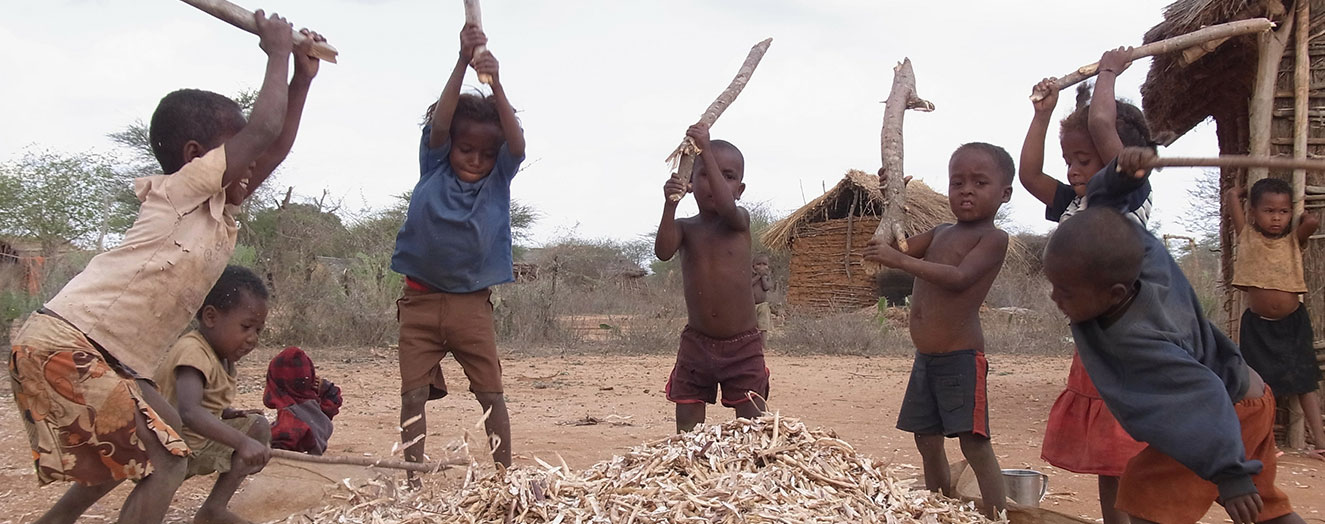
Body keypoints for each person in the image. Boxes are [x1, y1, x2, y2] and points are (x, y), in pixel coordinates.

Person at [7, 12, 320, 524]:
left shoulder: (218, 210)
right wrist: (277, 51)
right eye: (236, 149)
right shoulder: (177, 194)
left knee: (136, 452)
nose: (251, 160)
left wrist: (301, 80)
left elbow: (273, 144)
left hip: (114, 359)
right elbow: (263, 128)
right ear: (196, 157)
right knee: (166, 459)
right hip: (68, 344)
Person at [1042, 149, 1307, 524]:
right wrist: (1121, 174)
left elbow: (1205, 394)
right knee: (1263, 509)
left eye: (1066, 292)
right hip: (1249, 396)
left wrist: (1228, 472)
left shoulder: (1139, 341)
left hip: (1225, 410)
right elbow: (1103, 201)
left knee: (1146, 494)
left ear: (1115, 293)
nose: (1056, 298)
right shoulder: (1137, 255)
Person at [1018, 47, 1154, 524]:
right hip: (1095, 342)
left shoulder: (1127, 190)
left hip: (1134, 342)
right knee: (1107, 451)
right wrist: (1043, 115)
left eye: (1083, 159)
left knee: (1134, 446)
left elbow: (1101, 125)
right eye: (1068, 159)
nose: (1073, 169)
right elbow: (1029, 175)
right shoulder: (1076, 202)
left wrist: (1109, 74)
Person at [390, 23, 525, 476]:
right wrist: (461, 63)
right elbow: (441, 124)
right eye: (466, 149)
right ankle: (413, 477)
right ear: (451, 148)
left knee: (490, 393)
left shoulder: (498, 180)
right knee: (412, 394)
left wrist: (497, 82)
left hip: (472, 307)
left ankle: (505, 475)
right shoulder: (434, 165)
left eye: (486, 153)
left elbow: (517, 143)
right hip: (419, 303)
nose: (475, 159)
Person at [862, 142, 1014, 517]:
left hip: (961, 358)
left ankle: (997, 516)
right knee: (926, 439)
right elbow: (888, 245)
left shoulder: (993, 238)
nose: (966, 190)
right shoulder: (940, 231)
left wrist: (897, 260)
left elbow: (958, 278)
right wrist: (890, 200)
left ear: (1004, 193)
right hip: (927, 358)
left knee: (974, 443)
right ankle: (940, 507)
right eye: (957, 182)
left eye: (980, 183)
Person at [656, 123, 768, 433]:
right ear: (690, 183)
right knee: (688, 424)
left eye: (727, 176)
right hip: (697, 343)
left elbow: (726, 206)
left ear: (739, 189)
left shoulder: (739, 222)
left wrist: (705, 151)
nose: (713, 183)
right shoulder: (686, 228)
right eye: (704, 174)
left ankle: (754, 473)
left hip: (743, 344)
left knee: (752, 423)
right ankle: (691, 469)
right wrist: (670, 204)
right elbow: (663, 251)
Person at [156, 266, 272, 524]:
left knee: (257, 427)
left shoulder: (221, 356)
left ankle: (213, 510)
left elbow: (204, 403)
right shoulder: (194, 351)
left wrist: (225, 414)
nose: (253, 339)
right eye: (246, 327)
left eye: (258, 330)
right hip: (166, 449)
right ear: (210, 317)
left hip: (195, 447)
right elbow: (189, 411)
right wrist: (241, 443)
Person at [1227, 178, 1325, 459]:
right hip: (1257, 325)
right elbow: (1232, 196)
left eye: (1283, 211)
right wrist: (1243, 191)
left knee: (1306, 381)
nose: (1276, 217)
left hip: (1293, 322)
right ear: (1253, 213)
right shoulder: (1246, 235)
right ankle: (1262, 443)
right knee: (1258, 384)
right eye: (1268, 210)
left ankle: (1320, 442)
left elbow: (1312, 224)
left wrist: (1310, 220)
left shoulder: (1295, 240)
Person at [264, 345, 342, 455]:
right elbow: (334, 400)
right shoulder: (316, 409)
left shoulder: (290, 418)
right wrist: (325, 387)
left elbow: (279, 444)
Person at [752, 254, 773, 333]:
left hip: (763, 305)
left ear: (768, 266)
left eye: (764, 264)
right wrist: (758, 276)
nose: (761, 267)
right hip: (750, 306)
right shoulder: (750, 275)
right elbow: (748, 285)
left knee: (763, 327)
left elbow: (766, 287)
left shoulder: (767, 276)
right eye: (758, 264)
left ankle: (764, 345)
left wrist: (763, 277)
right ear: (753, 266)